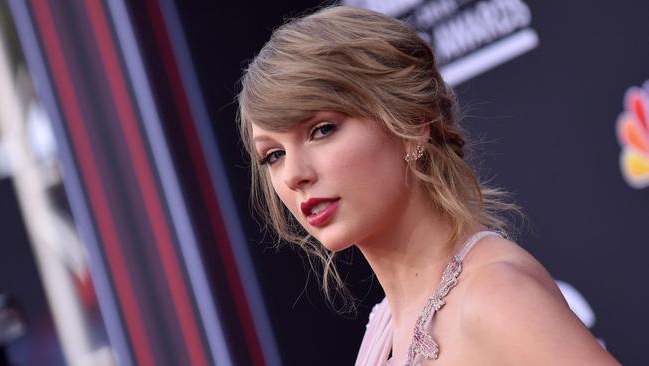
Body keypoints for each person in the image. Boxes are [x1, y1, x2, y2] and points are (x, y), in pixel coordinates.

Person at [237, 5, 621, 365]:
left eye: (322, 130)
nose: (293, 174)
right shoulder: (385, 323)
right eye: (273, 155)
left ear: (412, 123)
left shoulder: (493, 294)